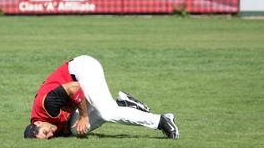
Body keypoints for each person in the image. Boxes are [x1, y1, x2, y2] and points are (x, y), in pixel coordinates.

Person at [24, 55, 179, 140]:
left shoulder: (46, 106)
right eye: (48, 137)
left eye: (46, 133)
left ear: (38, 122)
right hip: (77, 89)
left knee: (106, 113)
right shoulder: (45, 125)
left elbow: (74, 87)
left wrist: (84, 116)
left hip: (82, 69)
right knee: (76, 131)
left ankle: (161, 120)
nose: (51, 134)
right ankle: (123, 105)